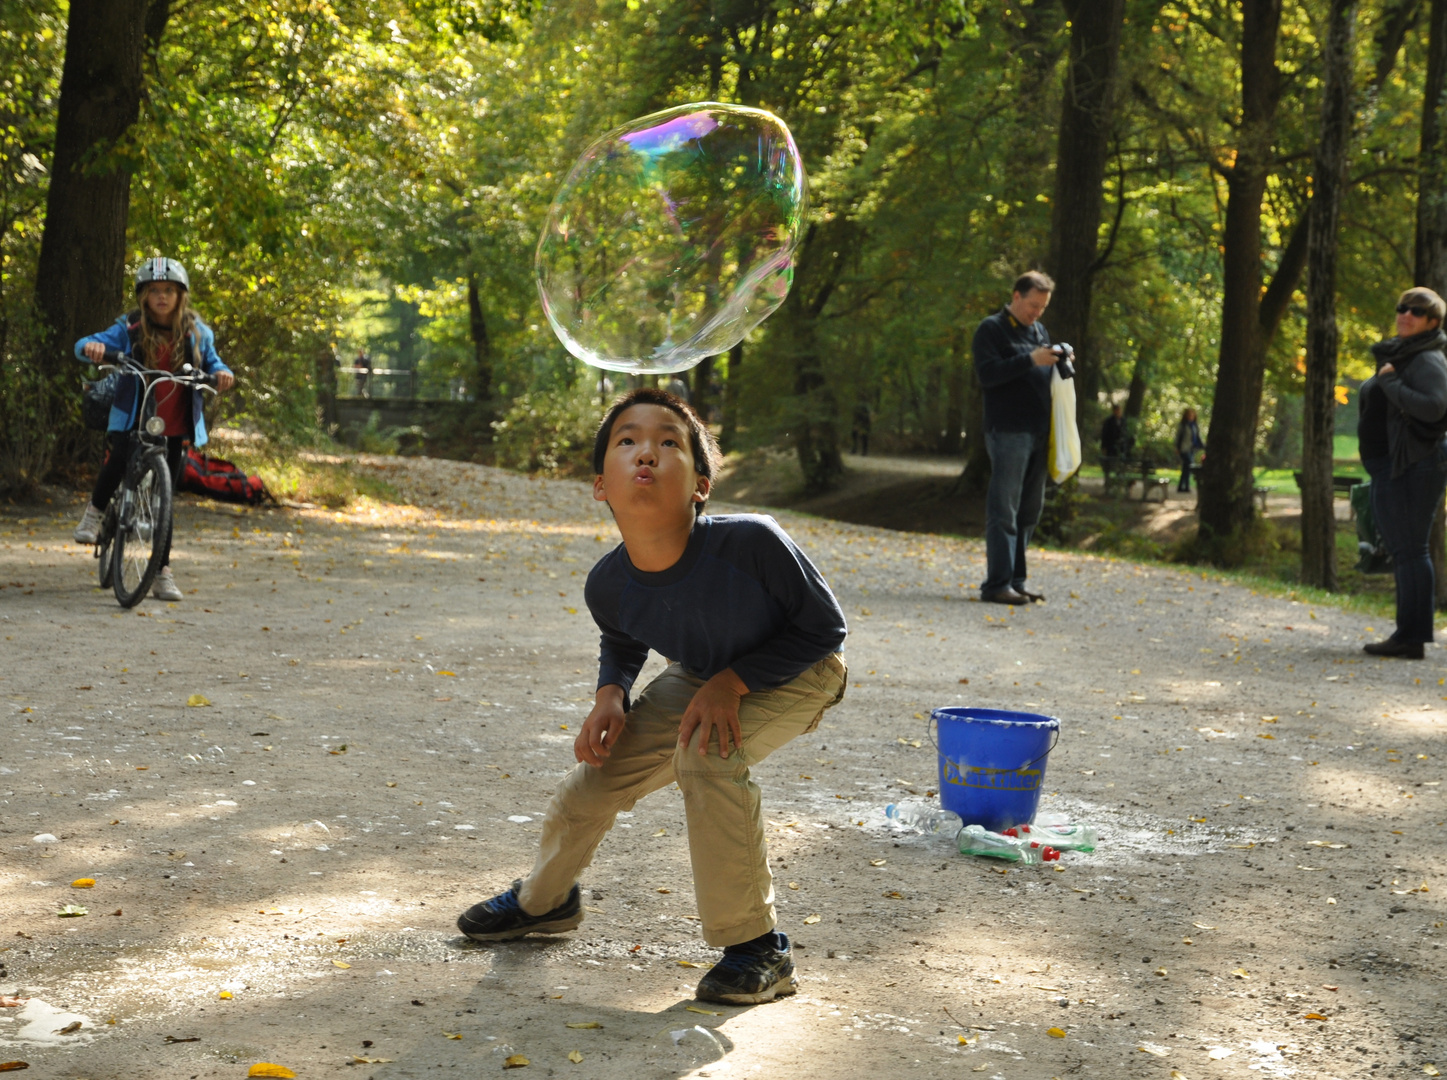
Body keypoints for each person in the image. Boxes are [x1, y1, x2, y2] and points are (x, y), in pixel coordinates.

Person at [455, 387, 848, 1005]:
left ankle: (758, 950)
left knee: (707, 753)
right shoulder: (607, 582)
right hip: (702, 676)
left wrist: (732, 683)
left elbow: (825, 630)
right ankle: (544, 903)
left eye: (670, 443)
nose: (647, 454)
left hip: (800, 671)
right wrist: (611, 691)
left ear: (701, 486)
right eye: (627, 441)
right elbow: (622, 633)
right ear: (600, 485)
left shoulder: (754, 542)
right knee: (594, 782)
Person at [72, 258, 235, 600]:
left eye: (169, 291)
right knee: (117, 458)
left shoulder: (196, 333)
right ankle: (95, 513)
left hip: (173, 426)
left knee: (165, 500)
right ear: (144, 296)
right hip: (132, 418)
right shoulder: (130, 326)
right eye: (155, 291)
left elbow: (213, 362)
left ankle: (162, 573)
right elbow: (85, 344)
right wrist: (93, 348)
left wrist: (221, 373)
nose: (162, 297)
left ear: (181, 296)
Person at [1356, 286, 1447, 659]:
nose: (1406, 314)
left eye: (1417, 311)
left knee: (1410, 550)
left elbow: (1436, 406)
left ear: (1433, 322)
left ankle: (1411, 638)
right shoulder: (1407, 354)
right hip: (1396, 466)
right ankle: (1408, 634)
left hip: (1415, 464)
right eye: (1402, 307)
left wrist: (1391, 383)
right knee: (1406, 550)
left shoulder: (1427, 359)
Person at [973, 270, 1060, 605]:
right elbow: (988, 374)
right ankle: (997, 583)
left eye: (1042, 308)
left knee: (1029, 511)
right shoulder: (991, 329)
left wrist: (1059, 362)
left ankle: (1016, 581)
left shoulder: (1039, 331)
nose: (1036, 313)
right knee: (1004, 509)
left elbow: (1043, 372)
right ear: (1016, 296)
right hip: (1008, 430)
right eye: (1033, 305)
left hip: (1040, 430)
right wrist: (1030, 360)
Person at [1174, 408, 1204, 493]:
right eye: (1189, 415)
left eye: (1192, 415)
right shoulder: (1183, 425)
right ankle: (1185, 486)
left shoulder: (1195, 426)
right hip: (1184, 449)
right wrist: (1176, 447)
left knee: (1186, 468)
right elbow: (1178, 437)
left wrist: (1202, 446)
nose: (1191, 416)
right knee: (1188, 465)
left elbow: (1198, 437)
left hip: (1192, 449)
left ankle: (1182, 486)